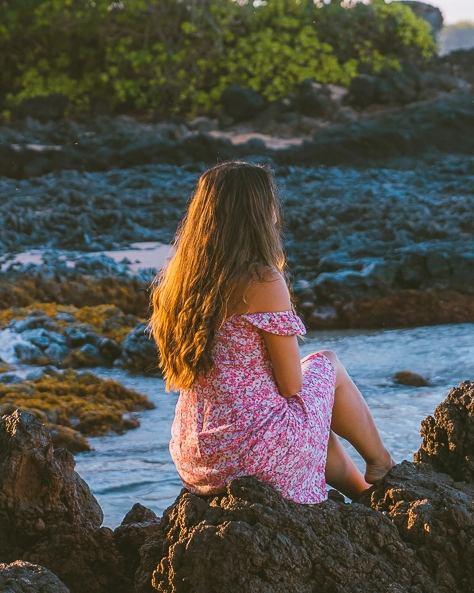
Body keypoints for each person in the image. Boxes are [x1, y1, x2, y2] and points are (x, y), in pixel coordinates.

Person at [151, 160, 392, 503]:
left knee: (306, 414)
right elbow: (292, 384)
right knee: (327, 364)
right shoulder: (261, 280)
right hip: (251, 455)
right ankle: (381, 461)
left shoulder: (180, 283)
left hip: (199, 457)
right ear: (259, 212)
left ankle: (363, 494)